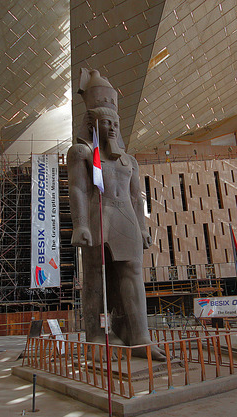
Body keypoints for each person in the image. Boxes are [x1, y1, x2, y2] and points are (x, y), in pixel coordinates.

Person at [68, 69, 164, 361]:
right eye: (105, 122)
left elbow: (137, 197)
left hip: (126, 217)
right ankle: (97, 336)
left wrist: (144, 228)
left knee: (132, 273)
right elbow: (78, 188)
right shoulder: (81, 153)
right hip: (99, 214)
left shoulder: (129, 160)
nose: (111, 128)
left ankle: (139, 336)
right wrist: (80, 224)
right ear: (92, 123)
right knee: (96, 275)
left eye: (115, 124)